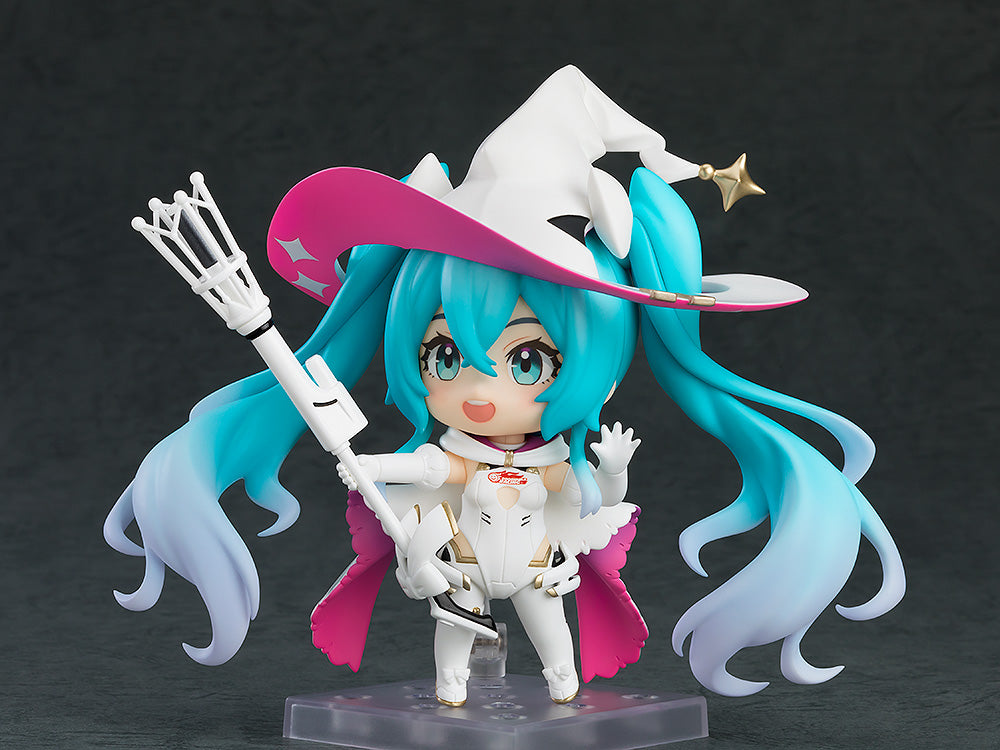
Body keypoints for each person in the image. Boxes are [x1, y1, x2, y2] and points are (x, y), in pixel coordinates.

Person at [106, 66, 904, 704]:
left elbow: (586, 501)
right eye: (444, 356)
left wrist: (611, 474)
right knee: (455, 633)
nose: (479, 390)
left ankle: (561, 681)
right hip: (460, 565)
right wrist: (368, 467)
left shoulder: (552, 462)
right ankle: (454, 691)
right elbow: (418, 468)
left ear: (591, 367)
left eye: (526, 361)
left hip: (535, 569)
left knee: (552, 634)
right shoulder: (450, 458)